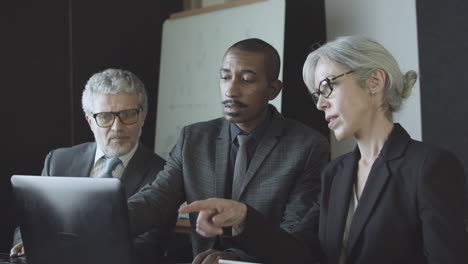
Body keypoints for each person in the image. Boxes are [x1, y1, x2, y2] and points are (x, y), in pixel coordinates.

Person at [180, 36, 467, 264]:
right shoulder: (336, 173)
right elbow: (299, 253)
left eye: (328, 87)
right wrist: (244, 217)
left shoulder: (429, 167)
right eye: (317, 94)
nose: (320, 104)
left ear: (374, 82)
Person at [127, 38, 330, 263]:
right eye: (225, 77)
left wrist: (233, 259)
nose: (231, 90)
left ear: (272, 89)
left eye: (247, 80)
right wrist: (102, 218)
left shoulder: (308, 147)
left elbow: (294, 235)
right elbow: (156, 200)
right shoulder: (193, 139)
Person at [10, 68, 171, 264]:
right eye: (105, 117)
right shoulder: (58, 161)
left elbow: (148, 247)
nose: (117, 127)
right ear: (90, 121)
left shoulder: (164, 173)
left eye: (128, 115)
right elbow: (31, 224)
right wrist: (24, 243)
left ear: (143, 116)